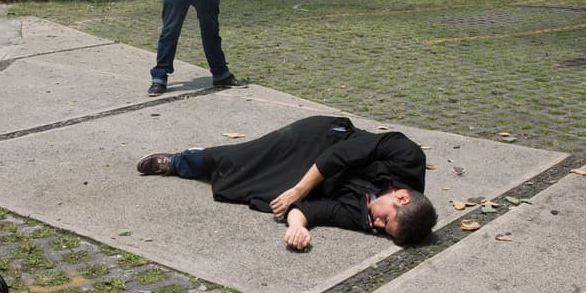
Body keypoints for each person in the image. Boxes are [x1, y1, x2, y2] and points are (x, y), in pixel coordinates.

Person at [136, 115, 436, 251]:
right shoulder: (407, 157)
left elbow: (317, 210)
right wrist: (299, 189)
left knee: (260, 193)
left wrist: (297, 225)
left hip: (314, 181)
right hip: (321, 140)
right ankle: (180, 162)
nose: (378, 226)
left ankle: (217, 166)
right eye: (386, 220)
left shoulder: (370, 217)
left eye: (384, 231)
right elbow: (341, 155)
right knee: (250, 155)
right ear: (402, 197)